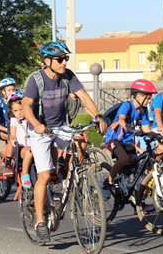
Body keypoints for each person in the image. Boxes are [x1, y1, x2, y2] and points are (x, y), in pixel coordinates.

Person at [22, 41, 107, 243]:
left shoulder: (68, 76)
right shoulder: (36, 79)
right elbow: (26, 106)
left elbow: (84, 96)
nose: (64, 62)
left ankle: (76, 177)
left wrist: (98, 116)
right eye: (60, 59)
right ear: (47, 61)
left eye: (65, 59)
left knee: (80, 141)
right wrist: (36, 124)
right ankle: (40, 222)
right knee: (44, 175)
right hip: (40, 130)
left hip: (61, 126)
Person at [104, 79, 160, 188]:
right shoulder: (127, 105)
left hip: (128, 141)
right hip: (115, 139)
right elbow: (121, 120)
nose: (149, 101)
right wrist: (131, 129)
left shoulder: (143, 110)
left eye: (150, 98)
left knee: (136, 163)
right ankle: (108, 180)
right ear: (138, 96)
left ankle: (134, 195)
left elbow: (146, 128)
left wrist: (157, 136)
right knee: (123, 159)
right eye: (148, 98)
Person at [7, 92, 33, 187]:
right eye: (16, 111)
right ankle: (25, 175)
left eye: (21, 109)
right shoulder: (14, 121)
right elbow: (13, 134)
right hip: (22, 148)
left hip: (34, 145)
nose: (19, 113)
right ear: (12, 112)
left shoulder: (30, 118)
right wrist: (13, 139)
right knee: (30, 152)